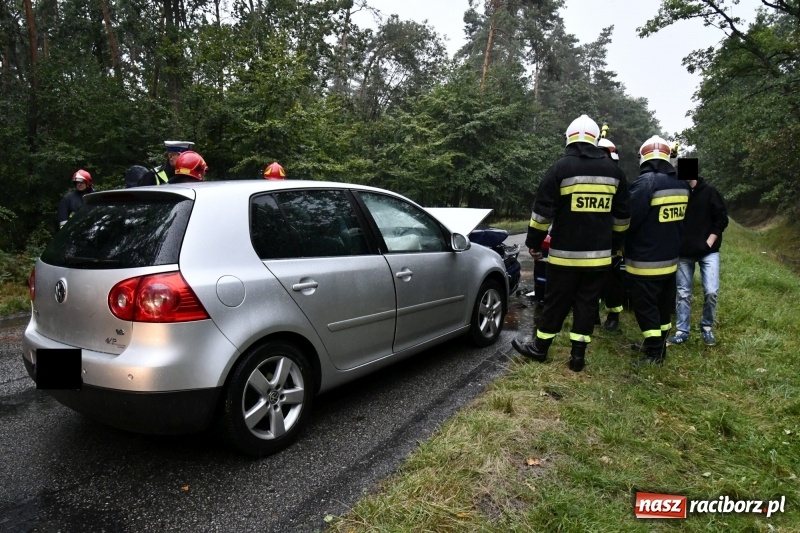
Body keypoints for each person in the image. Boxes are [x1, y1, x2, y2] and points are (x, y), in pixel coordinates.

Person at [511, 114, 630, 372]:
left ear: (569, 137)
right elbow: (622, 218)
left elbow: (542, 213)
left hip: (564, 257)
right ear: (595, 139)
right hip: (599, 257)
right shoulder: (615, 172)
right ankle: (578, 358)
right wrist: (614, 246)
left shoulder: (560, 169)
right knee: (587, 305)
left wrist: (533, 243)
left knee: (556, 302)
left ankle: (540, 349)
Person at [625, 136, 690, 365]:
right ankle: (659, 347)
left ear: (643, 158)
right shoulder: (681, 184)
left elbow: (629, 221)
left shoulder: (645, 183)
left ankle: (653, 354)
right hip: (670, 260)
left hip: (645, 262)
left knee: (645, 308)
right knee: (663, 309)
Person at [667, 175, 729, 347]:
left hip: (708, 252)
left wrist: (709, 242)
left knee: (711, 291)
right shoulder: (676, 194)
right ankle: (682, 331)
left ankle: (707, 327)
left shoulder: (710, 192)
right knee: (683, 293)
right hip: (683, 253)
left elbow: (722, 219)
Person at [597, 126, 625, 332]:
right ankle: (591, 315)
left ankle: (614, 316)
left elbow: (622, 213)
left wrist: (617, 242)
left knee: (613, 281)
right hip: (592, 239)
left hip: (611, 240)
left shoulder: (619, 177)